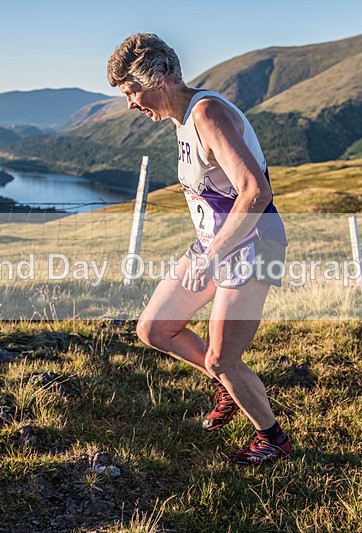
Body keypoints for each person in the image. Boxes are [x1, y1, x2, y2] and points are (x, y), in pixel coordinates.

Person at [107, 33, 291, 465]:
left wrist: (211, 258)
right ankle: (229, 387)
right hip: (217, 244)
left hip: (252, 243)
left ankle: (273, 439)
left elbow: (255, 190)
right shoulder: (182, 119)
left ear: (159, 77)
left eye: (132, 92)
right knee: (155, 328)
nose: (130, 104)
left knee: (223, 357)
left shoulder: (207, 112)